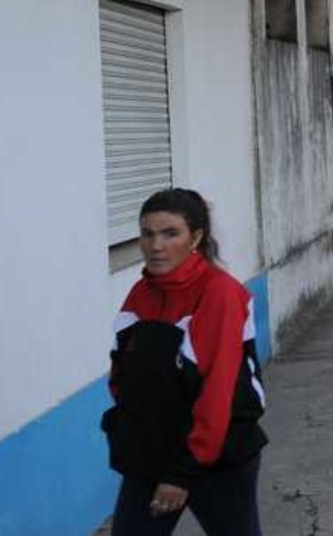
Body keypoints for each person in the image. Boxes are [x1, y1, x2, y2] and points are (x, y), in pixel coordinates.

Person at [102, 189, 267, 536]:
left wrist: (180, 474)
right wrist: (131, 431)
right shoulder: (141, 293)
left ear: (195, 238)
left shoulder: (219, 292)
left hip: (215, 457)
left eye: (170, 234)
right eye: (147, 234)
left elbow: (217, 392)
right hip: (151, 456)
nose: (156, 246)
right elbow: (122, 373)